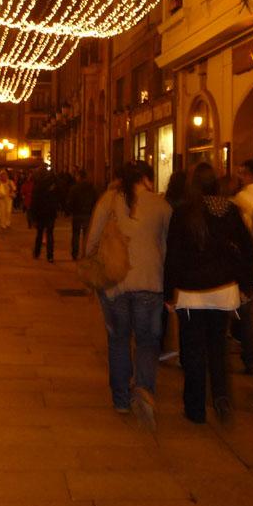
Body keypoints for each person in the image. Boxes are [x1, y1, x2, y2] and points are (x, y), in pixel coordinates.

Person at [165, 163, 253, 425]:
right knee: (217, 347)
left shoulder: (183, 213)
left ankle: (195, 408)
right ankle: (220, 395)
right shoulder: (229, 211)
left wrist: (168, 292)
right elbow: (249, 250)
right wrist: (247, 285)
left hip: (191, 293)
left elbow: (173, 257)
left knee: (192, 351)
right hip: (223, 291)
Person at [85, 161, 172, 430]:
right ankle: (144, 391)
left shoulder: (108, 201)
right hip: (150, 283)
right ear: (147, 179)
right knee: (147, 342)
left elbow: (92, 242)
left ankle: (121, 399)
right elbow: (167, 247)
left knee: (119, 340)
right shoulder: (162, 205)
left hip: (114, 284)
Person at [231, 160, 253, 375]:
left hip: (247, 258)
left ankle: (250, 356)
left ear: (252, 175)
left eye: (243, 173)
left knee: (245, 309)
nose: (240, 176)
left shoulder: (242, 198)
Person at [31, 168, 60, 262]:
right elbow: (58, 197)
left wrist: (33, 215)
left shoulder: (38, 185)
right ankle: (50, 255)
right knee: (50, 234)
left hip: (40, 213)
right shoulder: (53, 185)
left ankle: (37, 252)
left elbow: (34, 202)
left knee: (39, 233)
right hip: (51, 212)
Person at [68, 169, 98, 260]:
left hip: (77, 214)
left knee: (76, 235)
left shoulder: (75, 188)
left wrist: (70, 210)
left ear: (79, 177)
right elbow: (95, 200)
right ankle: (85, 252)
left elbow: (70, 201)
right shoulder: (91, 188)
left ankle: (75, 253)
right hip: (88, 214)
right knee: (86, 235)